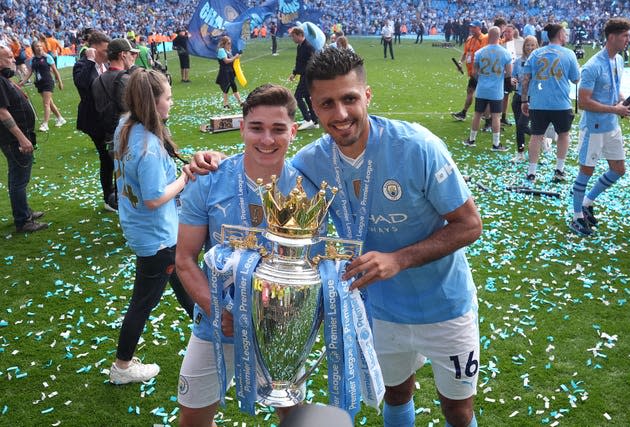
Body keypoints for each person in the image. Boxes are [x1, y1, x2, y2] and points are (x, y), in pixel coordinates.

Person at [293, 48, 482, 427]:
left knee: (458, 410)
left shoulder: (417, 146)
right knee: (395, 393)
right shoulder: (308, 163)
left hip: (445, 307)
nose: (340, 114)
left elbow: (469, 224)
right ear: (313, 106)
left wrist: (398, 259)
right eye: (327, 103)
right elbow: (263, 177)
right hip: (378, 311)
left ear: (367, 95)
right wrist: (208, 164)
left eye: (349, 98)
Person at [175, 84, 302, 427]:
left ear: (293, 130)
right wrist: (217, 311)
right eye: (257, 127)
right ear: (242, 127)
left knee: (291, 413)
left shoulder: (308, 185)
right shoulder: (209, 180)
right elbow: (184, 259)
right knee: (193, 418)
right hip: (218, 323)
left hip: (281, 324)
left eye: (278, 129)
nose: (266, 139)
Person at [109, 68, 194, 384]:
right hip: (156, 237)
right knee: (143, 302)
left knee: (185, 287)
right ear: (153, 102)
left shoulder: (125, 126)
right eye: (168, 98)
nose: (172, 103)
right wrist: (184, 179)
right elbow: (155, 197)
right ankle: (121, 367)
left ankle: (213, 335)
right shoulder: (148, 147)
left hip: (147, 230)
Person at [569, 18, 630, 236]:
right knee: (586, 171)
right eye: (626, 36)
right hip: (594, 128)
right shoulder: (592, 66)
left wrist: (625, 102)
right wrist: (615, 109)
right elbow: (584, 102)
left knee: (619, 169)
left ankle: (587, 203)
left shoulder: (618, 60)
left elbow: (614, 91)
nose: (629, 39)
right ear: (612, 37)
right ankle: (576, 216)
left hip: (612, 126)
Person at [521, 23, 580, 182]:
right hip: (560, 104)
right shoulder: (568, 54)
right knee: (563, 135)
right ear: (560, 35)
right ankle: (559, 170)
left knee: (536, 136)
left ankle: (531, 172)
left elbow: (525, 79)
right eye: (565, 34)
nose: (566, 36)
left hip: (538, 103)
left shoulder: (535, 54)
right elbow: (576, 79)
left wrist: (524, 100)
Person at [0, 45, 48, 233]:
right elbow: (2, 113)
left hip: (16, 137)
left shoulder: (5, 79)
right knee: (19, 178)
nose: (13, 60)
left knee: (19, 177)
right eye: (8, 57)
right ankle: (23, 219)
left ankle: (23, 211)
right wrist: (21, 138)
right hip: (13, 140)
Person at [73, 31, 115, 212]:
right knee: (107, 158)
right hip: (94, 121)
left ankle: (114, 194)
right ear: (93, 48)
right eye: (104, 50)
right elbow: (82, 85)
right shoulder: (83, 65)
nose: (107, 54)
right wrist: (90, 61)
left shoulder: (105, 65)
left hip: (107, 119)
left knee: (113, 158)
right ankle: (108, 198)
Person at [463, 26, 512, 151]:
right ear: (499, 36)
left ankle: (472, 140)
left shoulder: (480, 52)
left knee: (477, 114)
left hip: (482, 88)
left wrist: (483, 80)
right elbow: (508, 73)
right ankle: (496, 144)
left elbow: (474, 72)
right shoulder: (505, 53)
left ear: (488, 36)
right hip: (496, 90)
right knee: (496, 116)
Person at [19, 40, 65, 132]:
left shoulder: (48, 57)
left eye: (40, 46)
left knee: (46, 103)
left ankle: (45, 124)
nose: (39, 48)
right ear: (33, 49)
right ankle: (60, 118)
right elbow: (30, 72)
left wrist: (60, 82)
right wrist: (23, 82)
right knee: (49, 103)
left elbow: (55, 70)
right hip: (39, 83)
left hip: (48, 82)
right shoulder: (33, 60)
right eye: (37, 46)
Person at [451, 20, 488, 121]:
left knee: (482, 94)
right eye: (471, 27)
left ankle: (486, 116)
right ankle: (464, 113)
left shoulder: (484, 39)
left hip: (481, 72)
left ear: (479, 28)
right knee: (470, 91)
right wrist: (460, 62)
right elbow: (465, 53)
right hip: (473, 72)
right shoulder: (469, 39)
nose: (471, 29)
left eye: (474, 27)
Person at [511, 35, 539, 161]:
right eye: (528, 45)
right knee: (518, 126)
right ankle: (520, 153)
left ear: (537, 46)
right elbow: (513, 76)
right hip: (517, 96)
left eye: (532, 45)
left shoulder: (539, 62)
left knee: (522, 124)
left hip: (531, 97)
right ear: (524, 46)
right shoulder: (518, 61)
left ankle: (541, 137)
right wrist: (513, 80)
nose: (530, 47)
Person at [288, 27, 318, 130]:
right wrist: (294, 73)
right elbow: (299, 62)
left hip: (308, 76)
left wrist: (306, 75)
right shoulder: (300, 47)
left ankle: (307, 119)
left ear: (300, 35)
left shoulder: (309, 47)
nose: (293, 39)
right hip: (304, 76)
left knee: (297, 96)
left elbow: (312, 63)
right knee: (307, 97)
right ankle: (314, 121)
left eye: (293, 36)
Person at [215, 36, 242, 109]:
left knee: (234, 86)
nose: (230, 45)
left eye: (230, 43)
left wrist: (237, 57)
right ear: (224, 44)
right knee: (226, 87)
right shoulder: (221, 50)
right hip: (224, 71)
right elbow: (226, 61)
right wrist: (234, 57)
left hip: (230, 71)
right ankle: (225, 104)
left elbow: (232, 60)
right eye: (228, 43)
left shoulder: (228, 50)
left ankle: (240, 102)